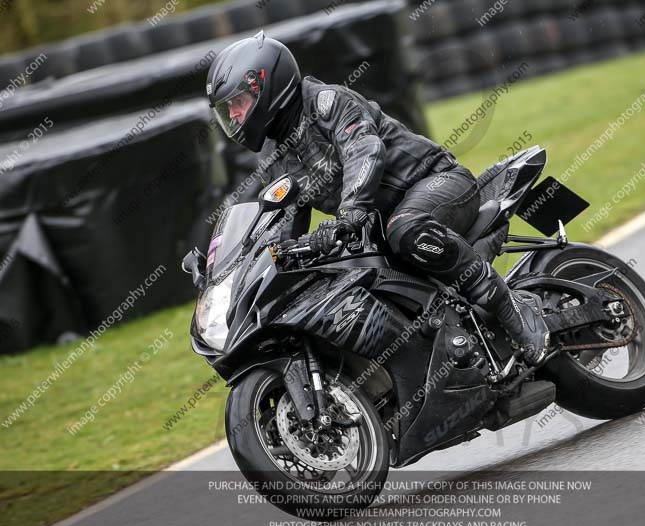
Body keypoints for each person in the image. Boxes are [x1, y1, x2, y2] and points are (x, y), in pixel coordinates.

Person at [206, 32, 550, 365]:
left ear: (266, 86)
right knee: (344, 270)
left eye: (238, 103)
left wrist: (350, 214)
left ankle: (514, 309)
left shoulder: (327, 103)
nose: (234, 116)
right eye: (228, 109)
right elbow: (284, 222)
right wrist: (251, 267)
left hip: (439, 182)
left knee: (406, 229)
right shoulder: (278, 157)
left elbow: (365, 150)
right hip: (379, 223)